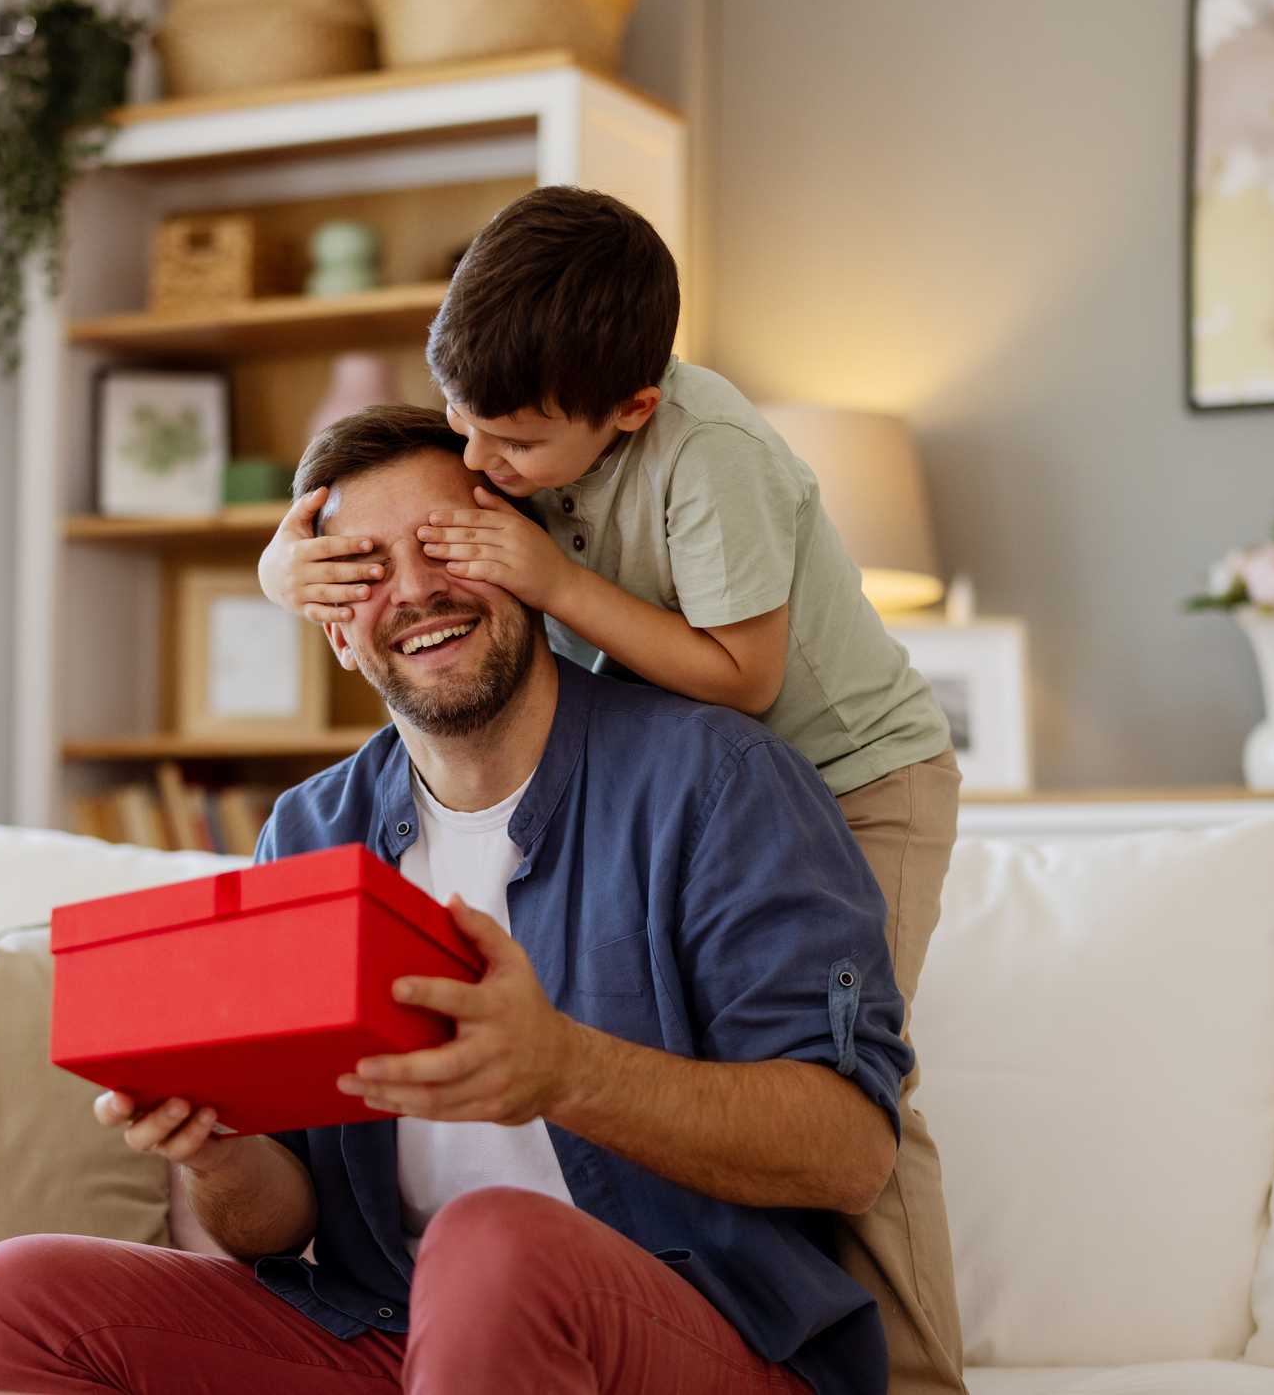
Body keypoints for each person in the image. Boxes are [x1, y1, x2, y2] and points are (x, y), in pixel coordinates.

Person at [0, 408, 913, 1395]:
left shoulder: (717, 780)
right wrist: (220, 1155)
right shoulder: (309, 832)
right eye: (362, 570)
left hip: (690, 1337)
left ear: (525, 560)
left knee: (489, 1244)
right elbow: (280, 1219)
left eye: (447, 544)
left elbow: (848, 1152)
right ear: (335, 630)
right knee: (4, 1302)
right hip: (393, 1331)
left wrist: (563, 1069)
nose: (414, 590)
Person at [259, 187, 967, 1395]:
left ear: (631, 407)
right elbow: (403, 532)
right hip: (709, 742)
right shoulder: (524, 428)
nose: (484, 474)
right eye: (463, 433)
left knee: (862, 1074)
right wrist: (286, 563)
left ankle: (907, 1374)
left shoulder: (712, 460)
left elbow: (741, 683)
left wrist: (547, 578)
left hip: (853, 765)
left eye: (505, 461)